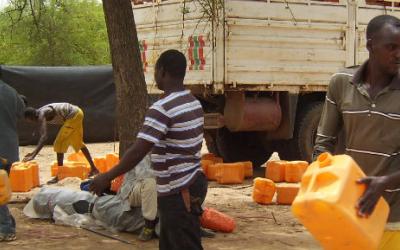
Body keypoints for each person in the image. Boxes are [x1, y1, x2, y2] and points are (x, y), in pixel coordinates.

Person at [90, 49, 208, 250]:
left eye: (155, 70)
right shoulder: (193, 103)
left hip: (177, 190)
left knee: (182, 243)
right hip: (194, 181)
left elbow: (138, 151)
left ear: (162, 71)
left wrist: (106, 177)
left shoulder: (162, 108)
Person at [312, 15, 400, 248]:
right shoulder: (341, 82)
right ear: (370, 45)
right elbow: (324, 143)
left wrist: (386, 181)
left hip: (392, 217)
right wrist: (319, 186)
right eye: (391, 47)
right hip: (347, 211)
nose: (398, 54)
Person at [24, 103, 97, 183]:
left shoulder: (42, 114)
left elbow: (44, 137)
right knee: (78, 142)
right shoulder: (39, 113)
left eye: (30, 120)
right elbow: (42, 134)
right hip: (77, 113)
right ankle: (94, 169)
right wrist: (32, 153)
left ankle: (60, 175)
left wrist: (33, 155)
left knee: (59, 144)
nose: (31, 122)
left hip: (73, 116)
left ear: (31, 117)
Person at [0, 78, 25, 241]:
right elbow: (21, 111)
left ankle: (6, 228)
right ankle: (8, 223)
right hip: (8, 149)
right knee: (1, 190)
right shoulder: (10, 90)